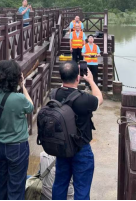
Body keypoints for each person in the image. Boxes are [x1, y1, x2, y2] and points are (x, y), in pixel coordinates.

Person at [52, 61, 103, 201]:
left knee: (59, 184)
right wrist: (91, 81)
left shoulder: (53, 94)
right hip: (81, 148)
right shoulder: (83, 98)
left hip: (62, 146)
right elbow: (100, 99)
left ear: (60, 76)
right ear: (78, 77)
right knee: (81, 188)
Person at [0, 60, 34, 200]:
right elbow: (30, 106)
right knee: (16, 185)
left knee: (2, 181)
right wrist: (23, 86)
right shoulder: (19, 99)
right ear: (16, 78)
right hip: (17, 147)